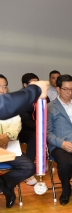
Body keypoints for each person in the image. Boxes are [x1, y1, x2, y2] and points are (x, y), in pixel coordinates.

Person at [47, 74, 72, 205]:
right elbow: (47, 132)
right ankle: (66, 190)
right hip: (60, 144)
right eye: (66, 89)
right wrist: (62, 143)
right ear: (58, 89)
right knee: (64, 164)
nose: (70, 92)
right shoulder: (50, 107)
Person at [0, 74, 36, 208]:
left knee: (29, 167)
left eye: (4, 87)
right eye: (0, 87)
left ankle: (5, 185)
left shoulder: (11, 105)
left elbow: (17, 124)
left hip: (9, 145)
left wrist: (7, 135)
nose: (3, 90)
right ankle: (7, 189)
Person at [18, 73, 50, 186]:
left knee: (47, 132)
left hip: (39, 127)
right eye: (33, 83)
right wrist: (41, 128)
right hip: (22, 129)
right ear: (25, 85)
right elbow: (25, 120)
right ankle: (29, 170)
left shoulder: (44, 95)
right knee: (35, 135)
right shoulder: (22, 97)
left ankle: (44, 159)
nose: (37, 85)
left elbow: (48, 113)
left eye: (38, 82)